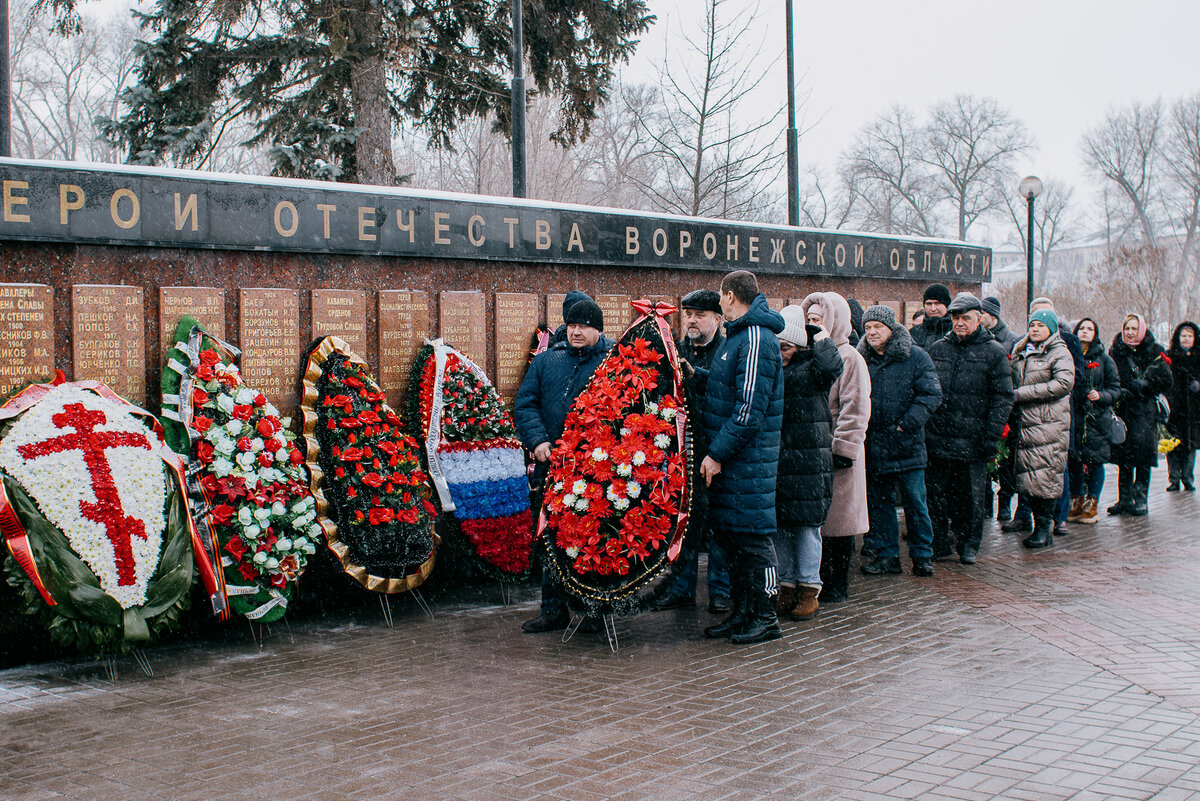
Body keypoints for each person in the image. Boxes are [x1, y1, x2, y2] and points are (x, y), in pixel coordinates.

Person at [696, 270, 786, 645]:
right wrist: (694, 374)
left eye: (721, 295)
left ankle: (766, 617)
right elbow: (728, 387)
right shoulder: (738, 336)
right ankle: (743, 612)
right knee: (733, 539)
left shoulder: (755, 338)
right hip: (737, 463)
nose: (719, 301)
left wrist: (717, 454)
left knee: (753, 540)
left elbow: (748, 410)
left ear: (731, 296)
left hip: (747, 462)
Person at [514, 298, 614, 633]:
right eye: (571, 325)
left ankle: (593, 609)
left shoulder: (612, 362)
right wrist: (539, 441)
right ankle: (553, 609)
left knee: (593, 539)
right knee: (551, 538)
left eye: (584, 326)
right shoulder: (548, 361)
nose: (576, 332)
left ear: (598, 329)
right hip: (553, 466)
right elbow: (525, 403)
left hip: (594, 470)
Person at [652, 289, 731, 612]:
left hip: (714, 450)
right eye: (689, 314)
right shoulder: (677, 350)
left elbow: (728, 392)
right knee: (682, 522)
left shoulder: (726, 352)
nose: (692, 321)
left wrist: (697, 377)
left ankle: (720, 589)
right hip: (681, 453)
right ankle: (681, 587)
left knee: (718, 524)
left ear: (718, 319)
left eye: (700, 315)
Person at [924, 292, 1014, 564]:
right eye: (955, 318)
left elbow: (1002, 398)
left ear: (979, 318)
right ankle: (940, 543)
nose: (959, 323)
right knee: (936, 495)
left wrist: (991, 436)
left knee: (970, 498)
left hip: (973, 439)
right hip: (939, 437)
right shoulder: (938, 349)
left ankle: (968, 545)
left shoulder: (994, 352)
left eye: (965, 318)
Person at [857, 304, 941, 577]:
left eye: (877, 327)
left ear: (891, 329)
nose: (872, 332)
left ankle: (922, 556)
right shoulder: (861, 359)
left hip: (907, 444)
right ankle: (887, 556)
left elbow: (931, 394)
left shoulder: (915, 356)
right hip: (874, 445)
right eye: (867, 327)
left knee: (915, 503)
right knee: (880, 505)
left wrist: (906, 424)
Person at [773, 306, 843, 621]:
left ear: (800, 346)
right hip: (784, 461)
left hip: (810, 463)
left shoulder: (813, 369)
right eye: (777, 347)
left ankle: (808, 590)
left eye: (786, 347)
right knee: (783, 527)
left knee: (806, 530)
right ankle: (786, 586)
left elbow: (832, 365)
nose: (781, 354)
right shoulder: (776, 371)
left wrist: (820, 336)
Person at [800, 292, 871, 602]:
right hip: (815, 448)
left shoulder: (850, 357)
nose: (813, 325)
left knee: (840, 522)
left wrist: (843, 447)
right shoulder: (809, 354)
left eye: (819, 319)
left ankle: (838, 583)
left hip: (837, 449)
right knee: (821, 522)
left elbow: (855, 407)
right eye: (810, 319)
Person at [1009, 309, 1075, 549]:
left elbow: (1064, 383)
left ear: (1052, 329)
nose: (1035, 329)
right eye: (1032, 325)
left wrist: (1023, 394)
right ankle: (1038, 526)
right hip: (1026, 423)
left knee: (1045, 477)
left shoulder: (1059, 352)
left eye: (1040, 325)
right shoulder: (1022, 350)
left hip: (1048, 425)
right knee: (1030, 478)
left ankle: (1044, 529)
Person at [1108, 314, 1172, 516]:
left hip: (1145, 411)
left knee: (1143, 455)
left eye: (1134, 328)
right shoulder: (1116, 350)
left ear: (1142, 330)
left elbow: (1166, 380)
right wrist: (1119, 391)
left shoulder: (1154, 350)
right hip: (1124, 408)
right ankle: (1124, 499)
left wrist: (1146, 385)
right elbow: (1111, 376)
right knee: (1124, 456)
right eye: (1127, 328)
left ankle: (1141, 499)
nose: (1130, 332)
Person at [1067, 318, 1121, 524]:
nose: (1085, 331)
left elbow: (1115, 389)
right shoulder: (1069, 355)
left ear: (1095, 333)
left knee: (1095, 462)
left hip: (1096, 421)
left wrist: (1101, 396)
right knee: (1075, 462)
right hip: (1074, 418)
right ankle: (1076, 501)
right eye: (1082, 328)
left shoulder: (1105, 360)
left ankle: (1091, 504)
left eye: (1090, 329)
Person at [1166, 321, 1200, 492]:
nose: (1186, 339)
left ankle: (1187, 478)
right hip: (1174, 407)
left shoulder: (1198, 357)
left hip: (1194, 409)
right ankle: (1174, 479)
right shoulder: (1170, 357)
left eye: (1189, 336)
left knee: (1190, 445)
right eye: (1183, 336)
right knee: (1172, 444)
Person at [910, 283, 953, 350]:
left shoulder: (955, 331)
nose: (933, 308)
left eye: (937, 303)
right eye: (929, 304)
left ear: (946, 306)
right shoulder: (914, 333)